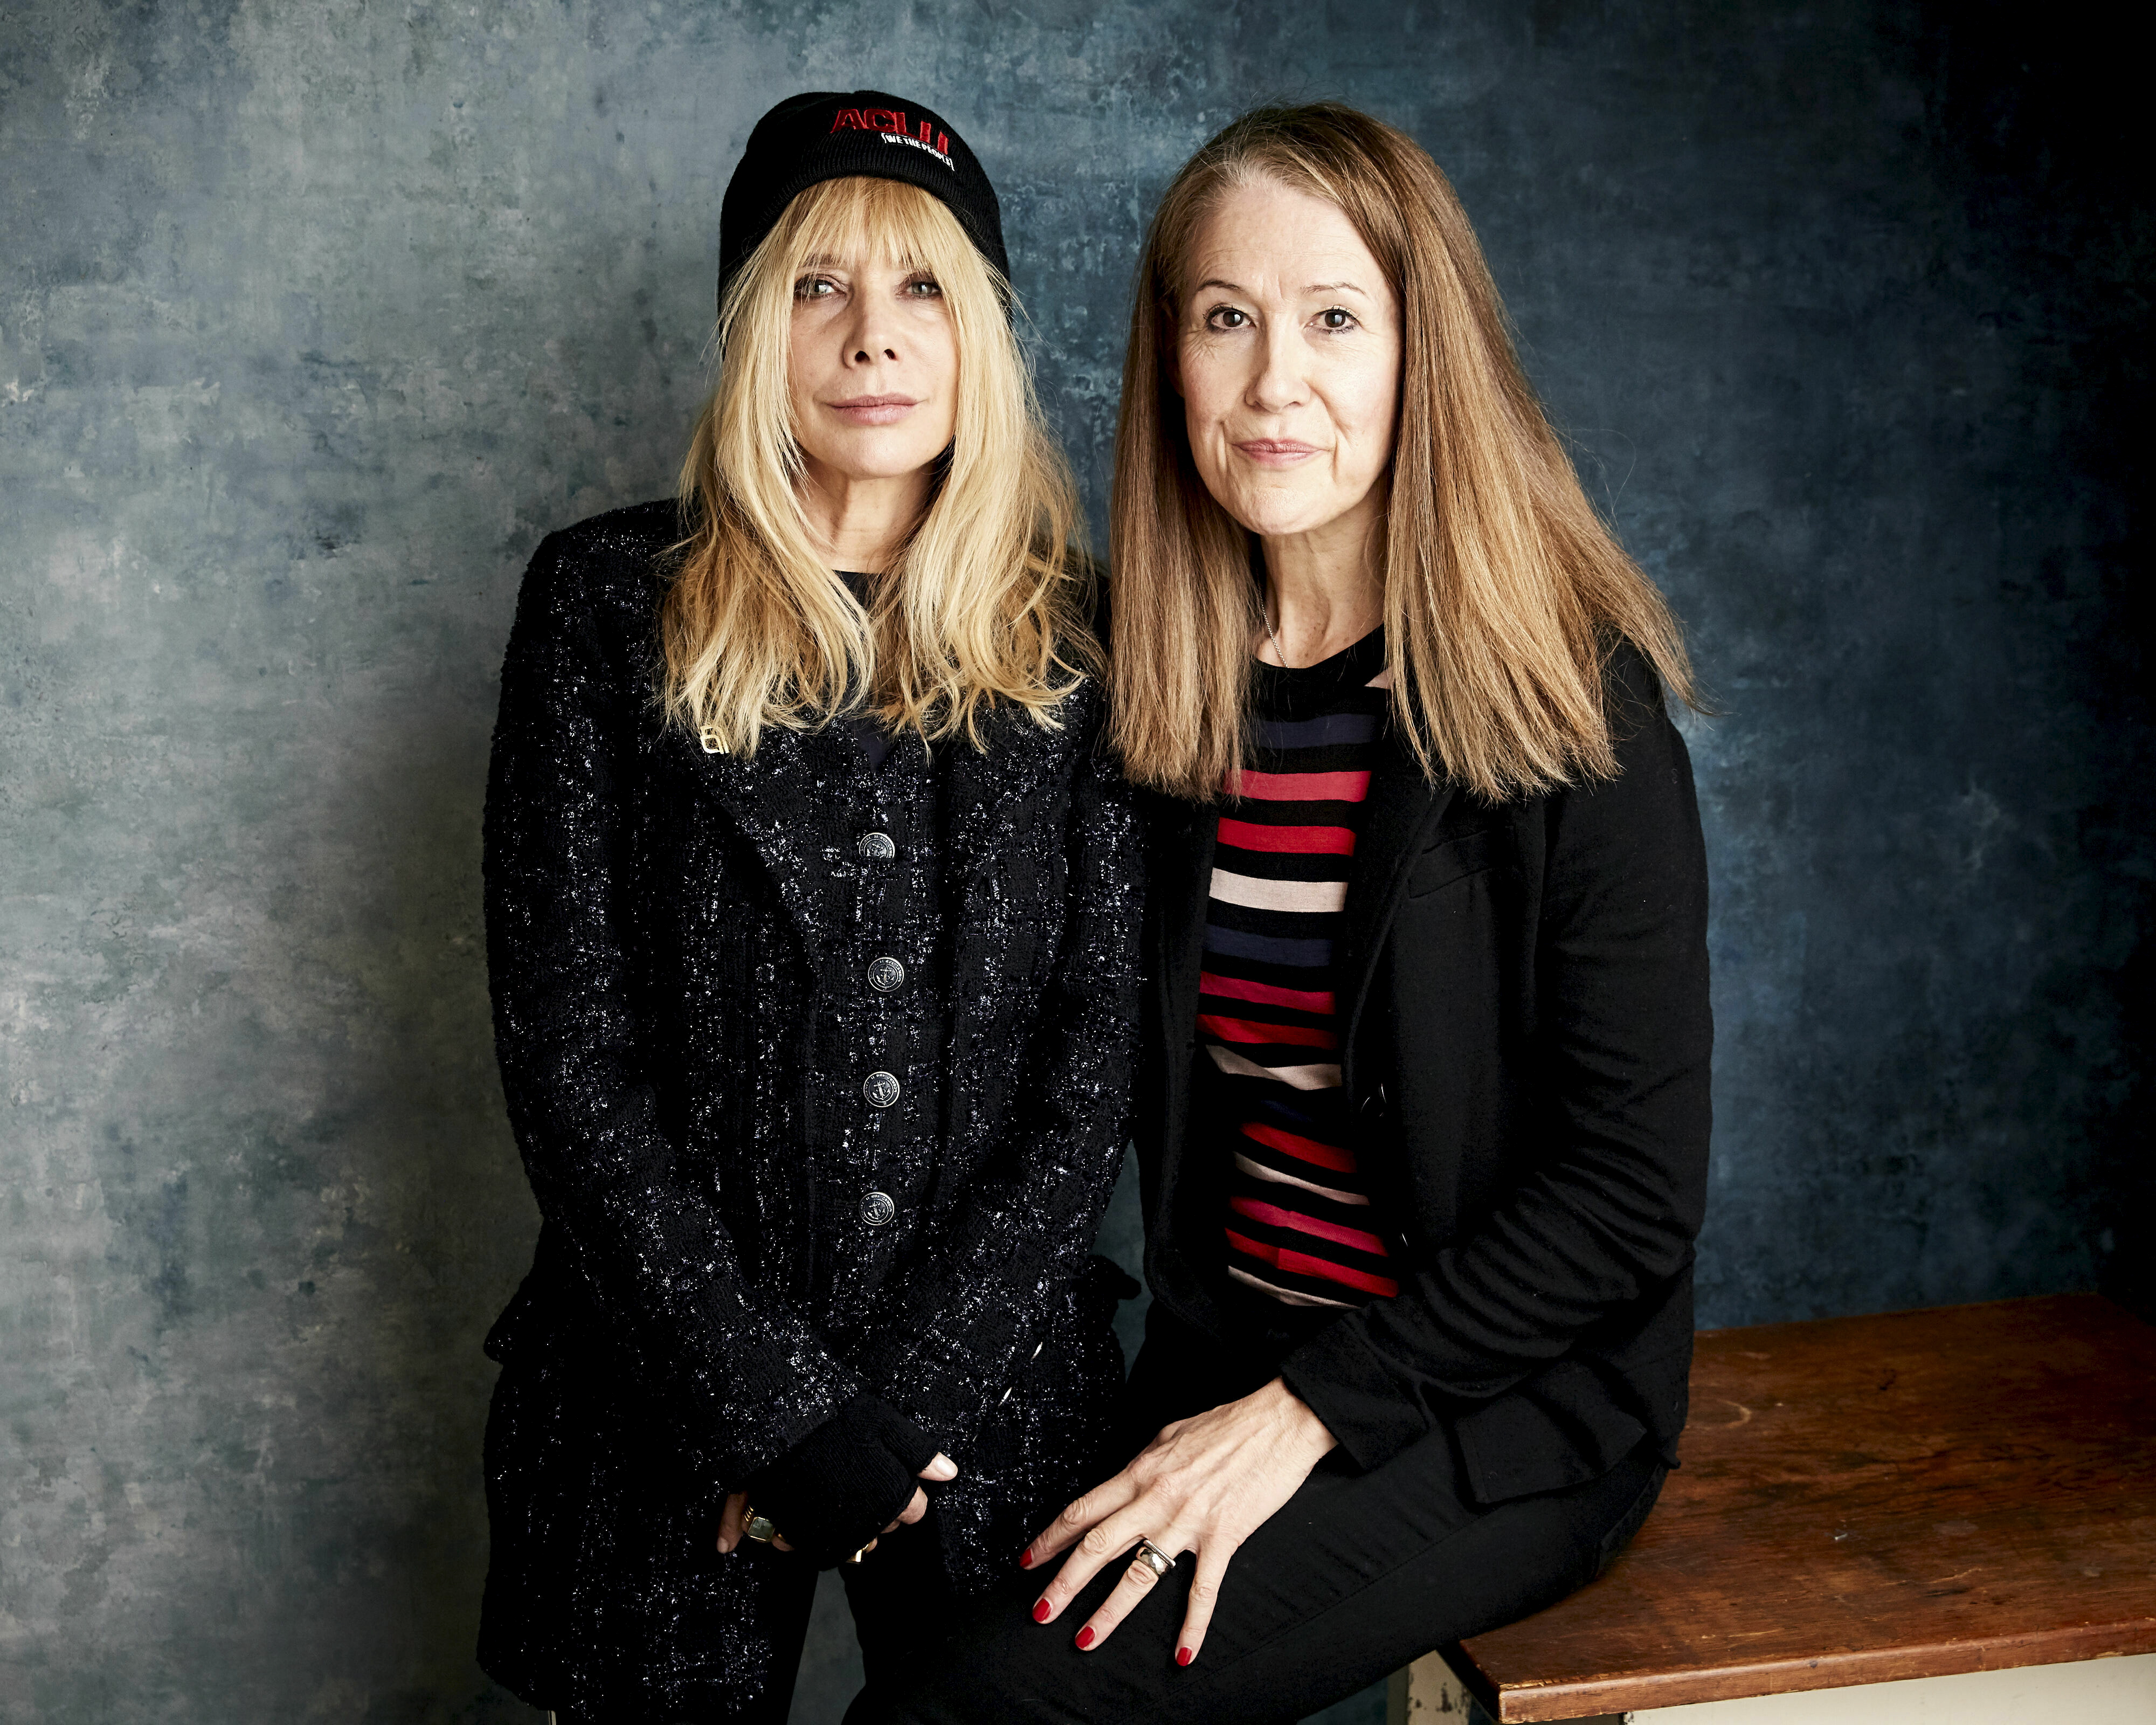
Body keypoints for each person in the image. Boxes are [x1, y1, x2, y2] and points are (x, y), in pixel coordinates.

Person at [857, 101, 1711, 1725]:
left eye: (1333, 320)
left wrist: (1304, 1412)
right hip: (1221, 1354)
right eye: (1226, 320)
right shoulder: (1152, 685)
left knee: (972, 1714)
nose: (1272, 384)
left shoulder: (1570, 711)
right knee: (925, 1630)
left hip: (1484, 1406)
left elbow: (1628, 1199)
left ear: (1424, 357)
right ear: (1170, 359)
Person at [474, 90, 1142, 1723]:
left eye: (922, 289)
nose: (872, 338)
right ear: (749, 327)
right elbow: (568, 1060)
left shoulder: (1079, 638)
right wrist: (775, 1413)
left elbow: (1089, 1076)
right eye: (816, 287)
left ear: (980, 332)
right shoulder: (606, 604)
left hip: (987, 1403)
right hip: (656, 1391)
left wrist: (891, 1421)